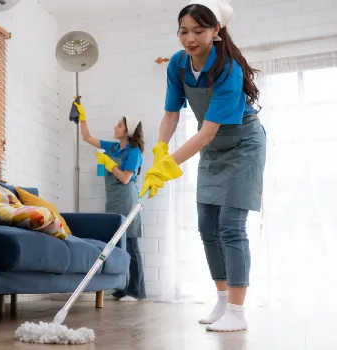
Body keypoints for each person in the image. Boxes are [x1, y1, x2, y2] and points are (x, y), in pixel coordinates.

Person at [139, 0, 266, 332]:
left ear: (216, 31)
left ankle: (237, 312)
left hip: (242, 146)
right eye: (184, 31)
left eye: (199, 30)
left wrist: (167, 167)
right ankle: (222, 302)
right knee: (207, 227)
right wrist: (160, 151)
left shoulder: (228, 69)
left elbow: (208, 132)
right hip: (211, 148)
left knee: (231, 227)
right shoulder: (178, 65)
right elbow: (171, 113)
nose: (190, 38)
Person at [73, 99, 146, 302]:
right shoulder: (114, 149)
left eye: (120, 125)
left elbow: (125, 178)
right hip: (113, 201)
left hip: (127, 200)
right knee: (117, 245)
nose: (115, 126)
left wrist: (107, 163)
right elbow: (87, 137)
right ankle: (123, 287)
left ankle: (136, 291)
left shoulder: (134, 152)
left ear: (129, 131)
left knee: (130, 245)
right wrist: (82, 117)